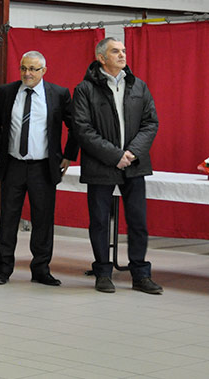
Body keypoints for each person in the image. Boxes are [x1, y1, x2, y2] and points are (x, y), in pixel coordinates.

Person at [72, 37, 162, 294]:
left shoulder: (139, 86)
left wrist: (132, 152)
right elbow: (82, 129)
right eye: (115, 51)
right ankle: (102, 273)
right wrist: (115, 156)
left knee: (138, 221)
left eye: (123, 50)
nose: (122, 55)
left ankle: (140, 275)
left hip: (134, 163)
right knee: (99, 221)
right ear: (101, 57)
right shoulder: (85, 89)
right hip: (101, 164)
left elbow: (150, 123)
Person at [0, 51, 79, 286]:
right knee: (8, 218)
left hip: (43, 167)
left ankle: (41, 269)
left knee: (43, 220)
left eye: (33, 69)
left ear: (43, 71)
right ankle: (3, 269)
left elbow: (75, 125)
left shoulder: (58, 94)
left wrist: (68, 155)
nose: (27, 73)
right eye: (24, 68)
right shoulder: (7, 92)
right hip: (13, 165)